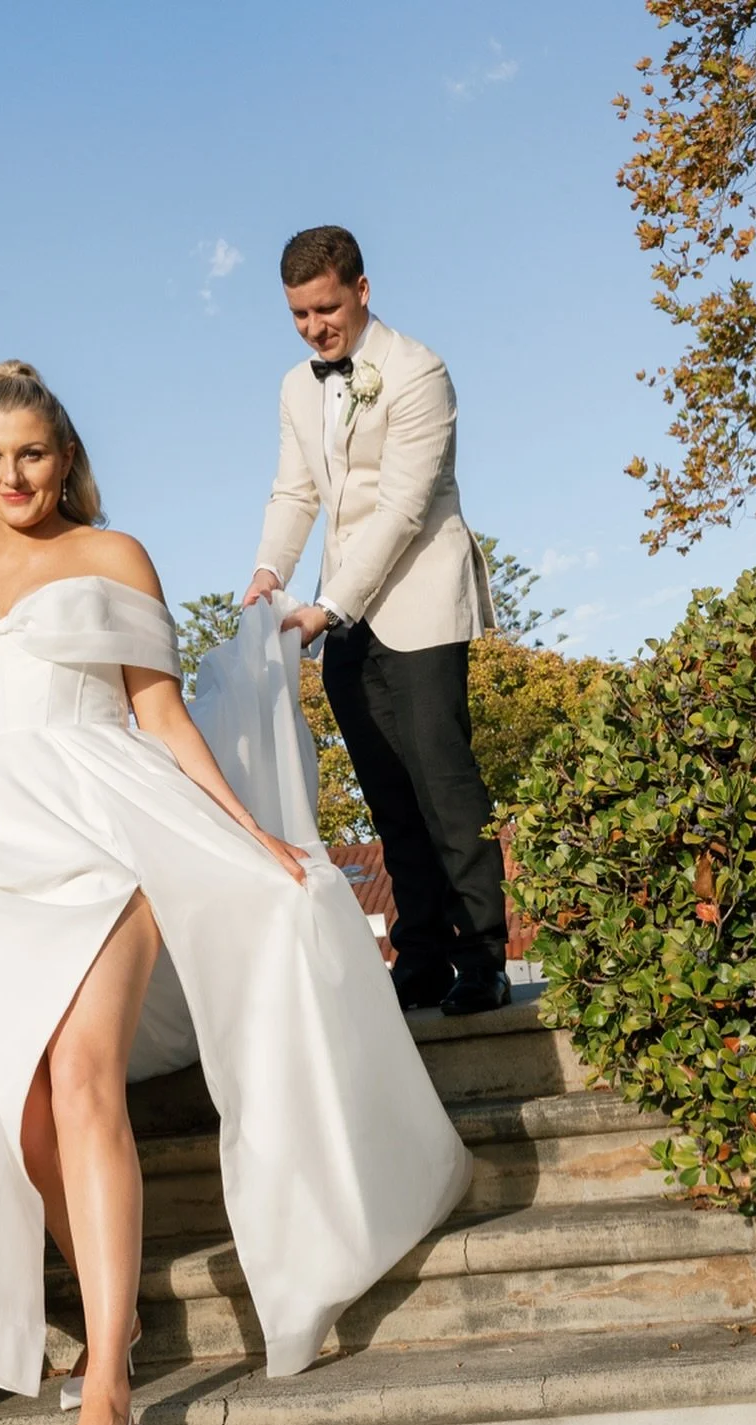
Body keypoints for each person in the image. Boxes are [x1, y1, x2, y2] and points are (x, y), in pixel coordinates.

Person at [0, 360, 472, 1425]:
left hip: (110, 821)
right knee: (26, 1107)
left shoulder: (115, 555)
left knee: (84, 1078)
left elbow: (158, 713)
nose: (12, 477)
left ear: (64, 454)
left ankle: (106, 1390)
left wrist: (252, 834)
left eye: (30, 453)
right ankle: (117, 1307)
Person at [243, 225, 511, 1016]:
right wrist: (269, 575)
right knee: (387, 797)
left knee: (444, 786)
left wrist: (327, 608)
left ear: (362, 290)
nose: (315, 327)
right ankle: (420, 954)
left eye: (326, 308)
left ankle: (484, 956)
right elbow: (294, 492)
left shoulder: (419, 372)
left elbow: (401, 510)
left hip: (420, 605)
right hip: (342, 614)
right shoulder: (297, 387)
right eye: (299, 315)